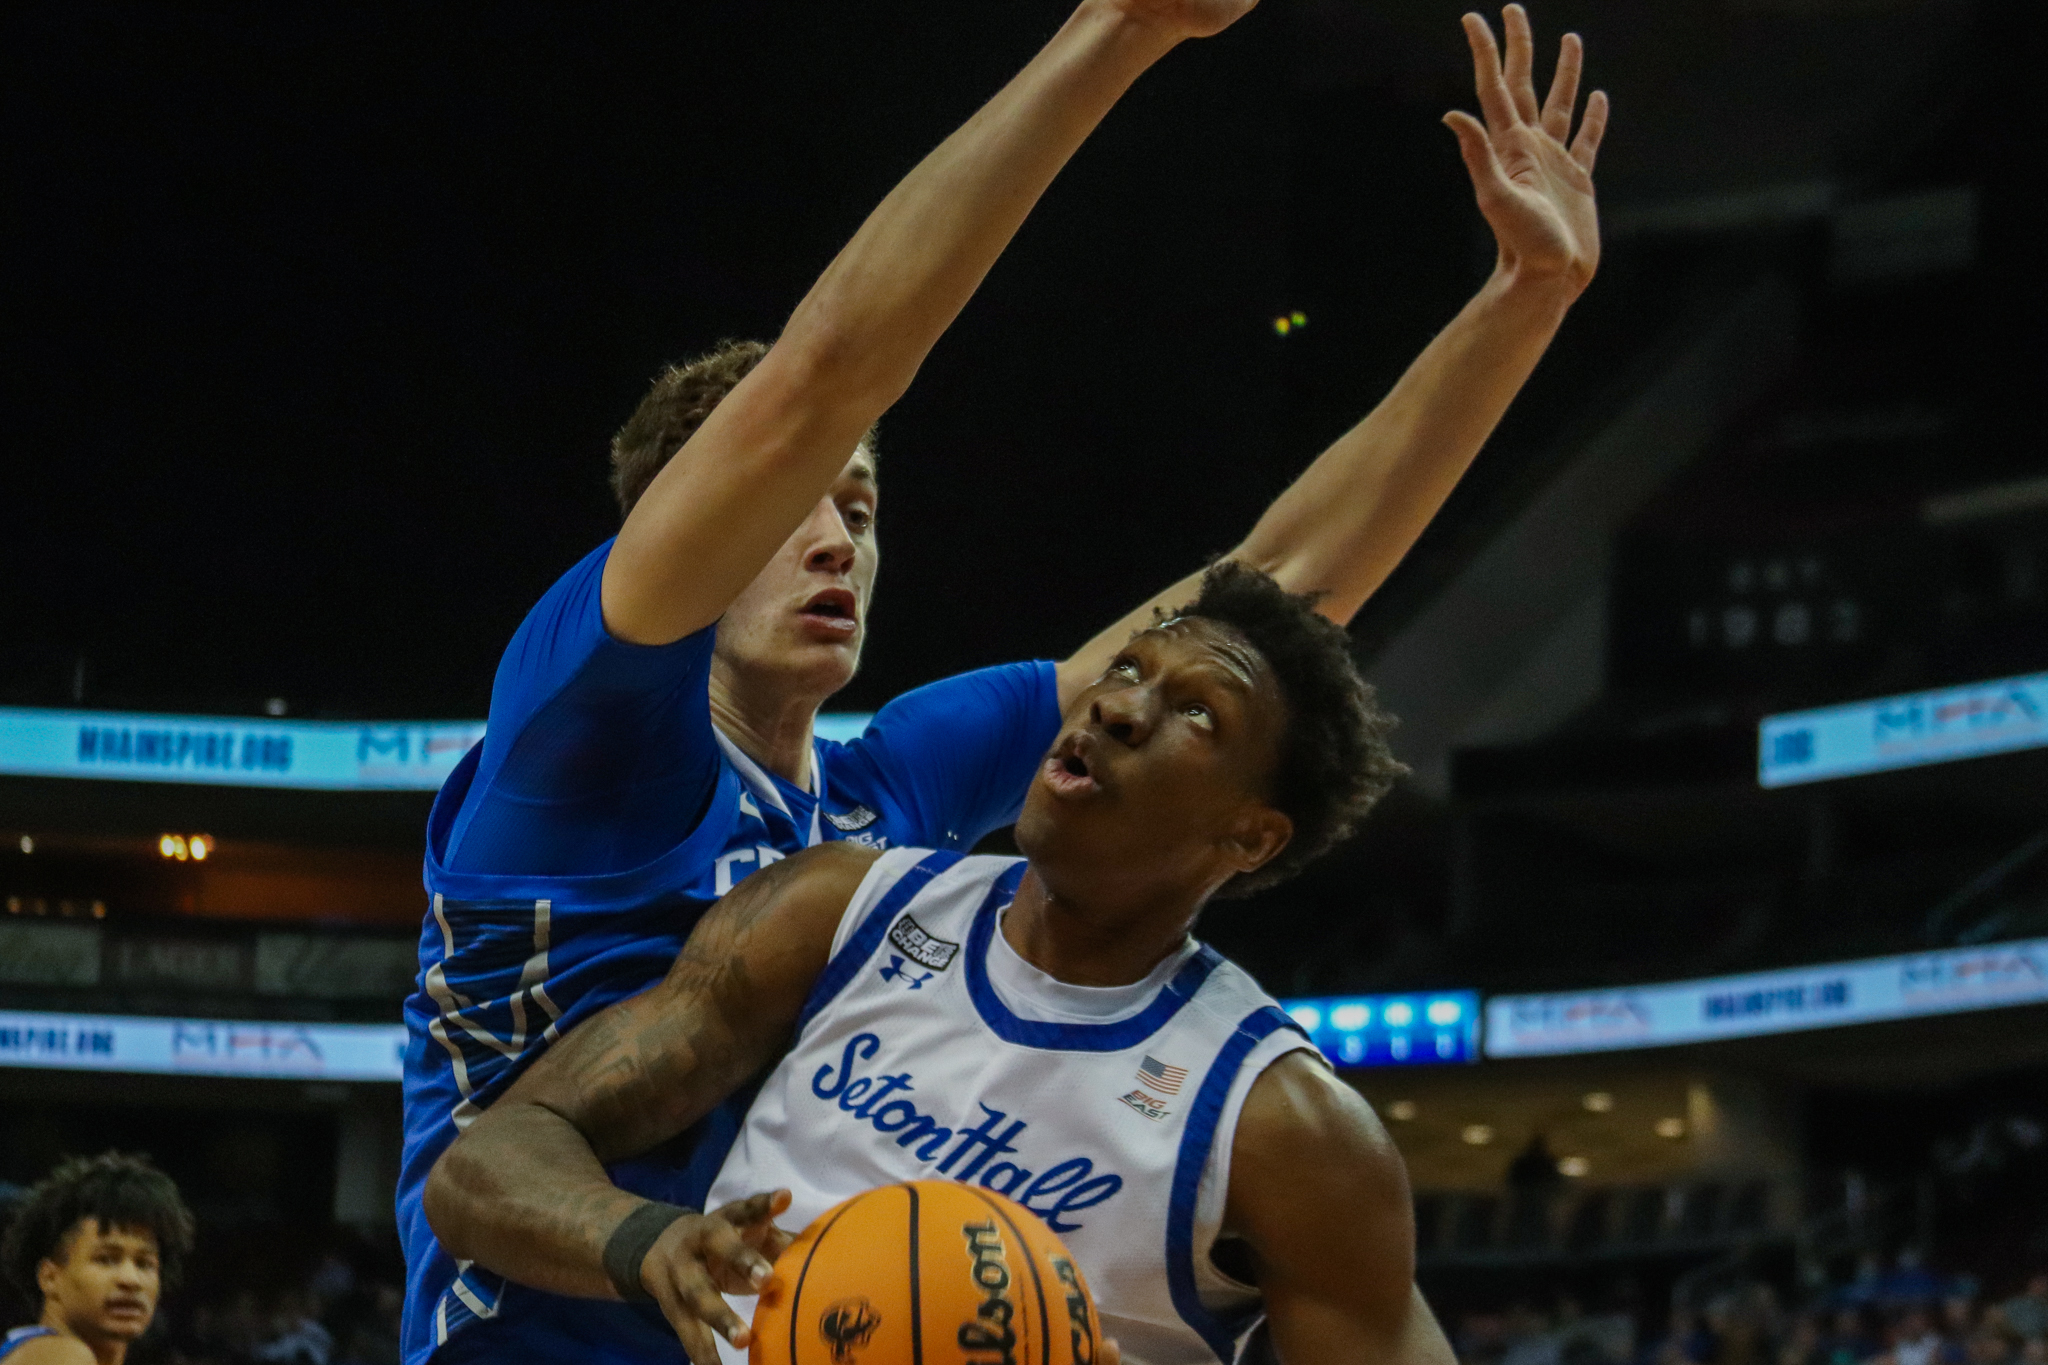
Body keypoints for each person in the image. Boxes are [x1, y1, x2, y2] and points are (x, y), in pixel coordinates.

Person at [401, 0, 1607, 1359]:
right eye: (796, 497)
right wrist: (1123, 29)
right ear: (684, 527)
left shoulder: (892, 789)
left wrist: (1526, 302)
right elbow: (824, 377)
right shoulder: (589, 722)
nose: (835, 531)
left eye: (862, 507)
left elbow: (1274, 595)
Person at [426, 560, 1467, 1365]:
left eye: (1196, 713)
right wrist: (646, 1243)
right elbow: (482, 1168)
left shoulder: (1279, 1125)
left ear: (1250, 837)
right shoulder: (842, 907)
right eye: (1127, 667)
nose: (1116, 705)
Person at [0, 1152, 195, 1365]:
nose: (131, 1280)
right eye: (106, 1259)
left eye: (144, 1264)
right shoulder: (60, 1354)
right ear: (50, 1277)